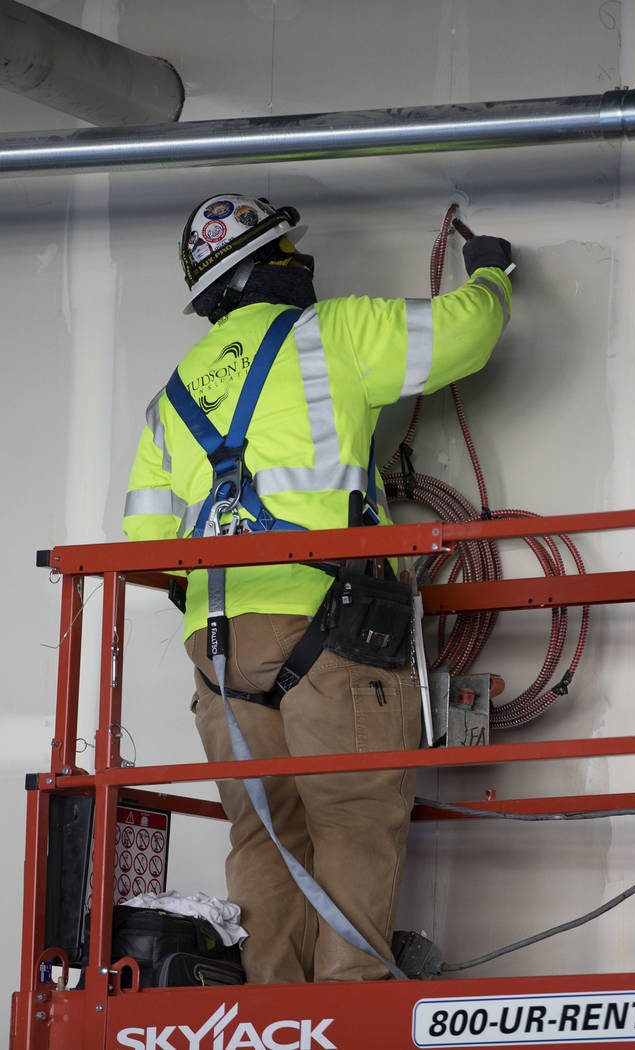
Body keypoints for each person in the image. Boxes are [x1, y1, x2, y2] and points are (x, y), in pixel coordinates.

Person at [123, 192, 512, 984]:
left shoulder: (175, 393)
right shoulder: (328, 334)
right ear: (270, 266)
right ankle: (349, 1017)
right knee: (356, 824)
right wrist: (494, 273)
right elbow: (465, 333)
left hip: (219, 652)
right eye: (290, 250)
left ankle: (274, 1019)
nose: (304, 262)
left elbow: (146, 544)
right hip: (333, 628)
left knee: (264, 837)